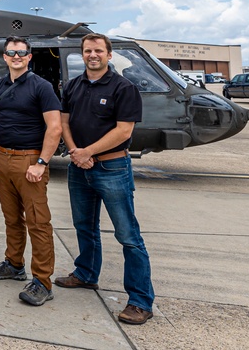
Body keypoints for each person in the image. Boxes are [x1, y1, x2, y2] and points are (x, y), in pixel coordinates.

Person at [56, 33, 155, 325]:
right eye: (87, 51)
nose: (92, 55)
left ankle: (140, 301)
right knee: (84, 226)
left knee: (128, 235)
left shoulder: (124, 88)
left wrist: (88, 151)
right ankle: (86, 274)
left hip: (112, 168)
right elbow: (63, 121)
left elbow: (124, 131)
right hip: (79, 167)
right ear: (82, 55)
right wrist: (76, 152)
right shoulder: (73, 86)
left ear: (109, 55)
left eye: (98, 50)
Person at [0, 36, 62, 306]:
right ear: (4, 56)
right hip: (2, 158)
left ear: (29, 57)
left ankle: (42, 281)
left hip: (30, 161)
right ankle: (14, 264)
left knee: (38, 223)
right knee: (11, 218)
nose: (16, 57)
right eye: (11, 52)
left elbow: (54, 127)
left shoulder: (42, 87)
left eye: (21, 53)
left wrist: (41, 163)